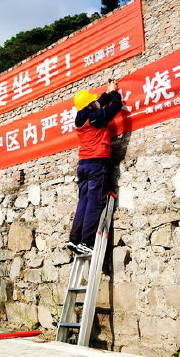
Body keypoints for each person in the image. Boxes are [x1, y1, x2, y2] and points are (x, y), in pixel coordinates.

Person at [67, 80, 122, 255]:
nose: (95, 101)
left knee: (83, 202)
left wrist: (106, 93)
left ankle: (74, 239)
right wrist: (114, 93)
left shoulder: (82, 118)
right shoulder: (95, 118)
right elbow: (116, 106)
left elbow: (98, 104)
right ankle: (87, 242)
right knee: (95, 202)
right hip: (97, 164)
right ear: (89, 105)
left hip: (83, 165)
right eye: (92, 101)